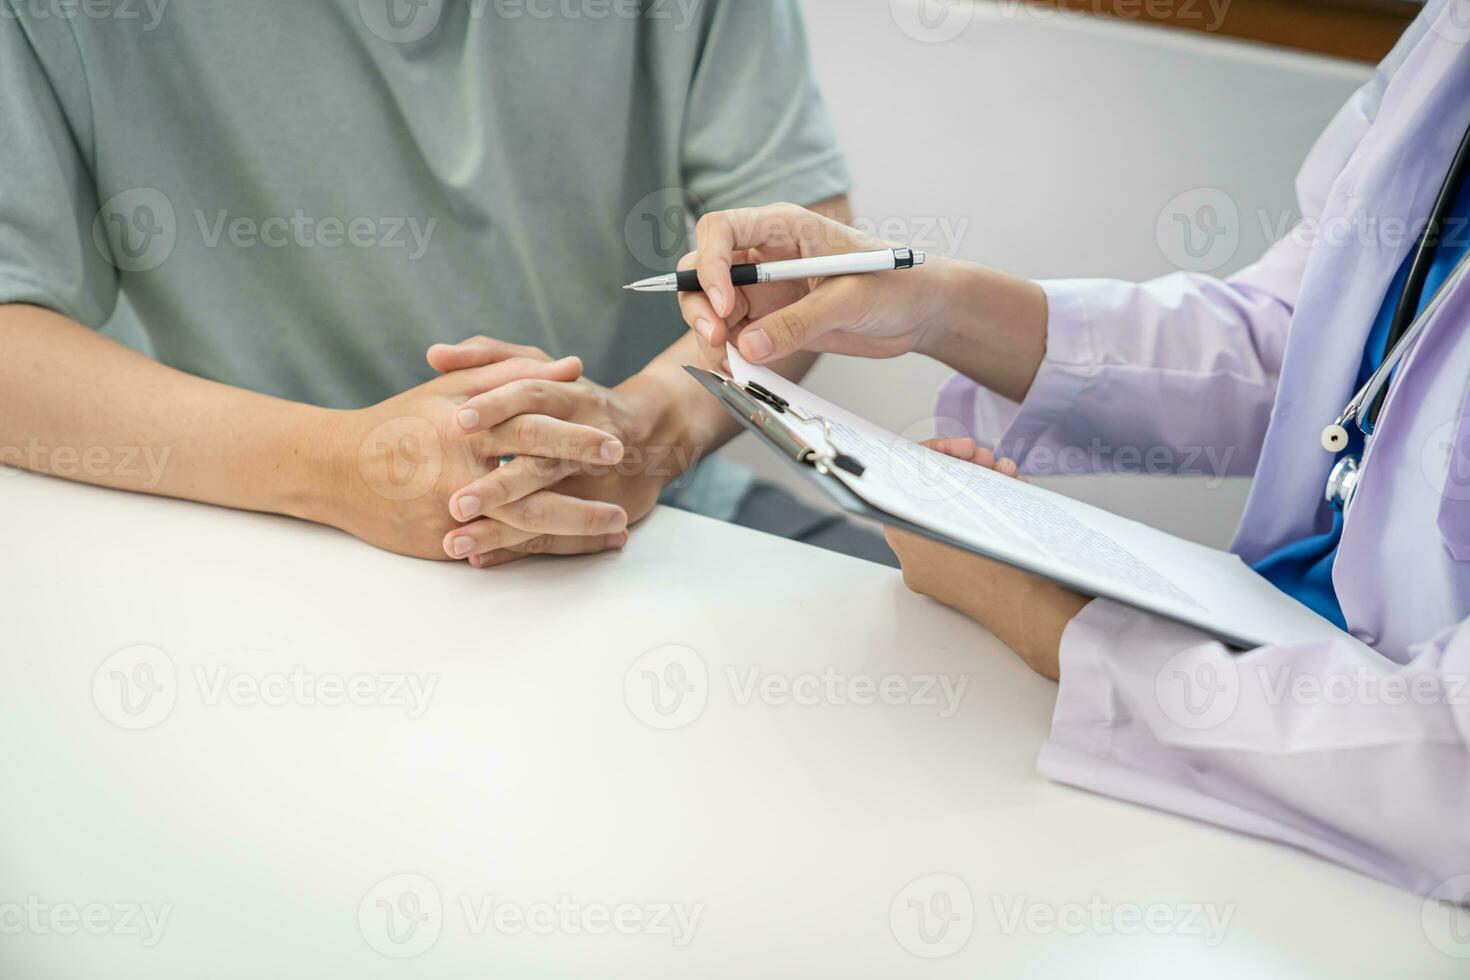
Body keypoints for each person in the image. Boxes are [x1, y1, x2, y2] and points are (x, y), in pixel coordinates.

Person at [677, 0, 1470, 900]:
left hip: (1364, 817)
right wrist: (934, 303)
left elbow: (1448, 769)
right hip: (1259, 692)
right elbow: (1315, 340)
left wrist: (1043, 618)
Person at [0, 0, 892, 568]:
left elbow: (799, 253)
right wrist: (338, 466)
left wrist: (644, 432)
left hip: (660, 511)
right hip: (246, 524)